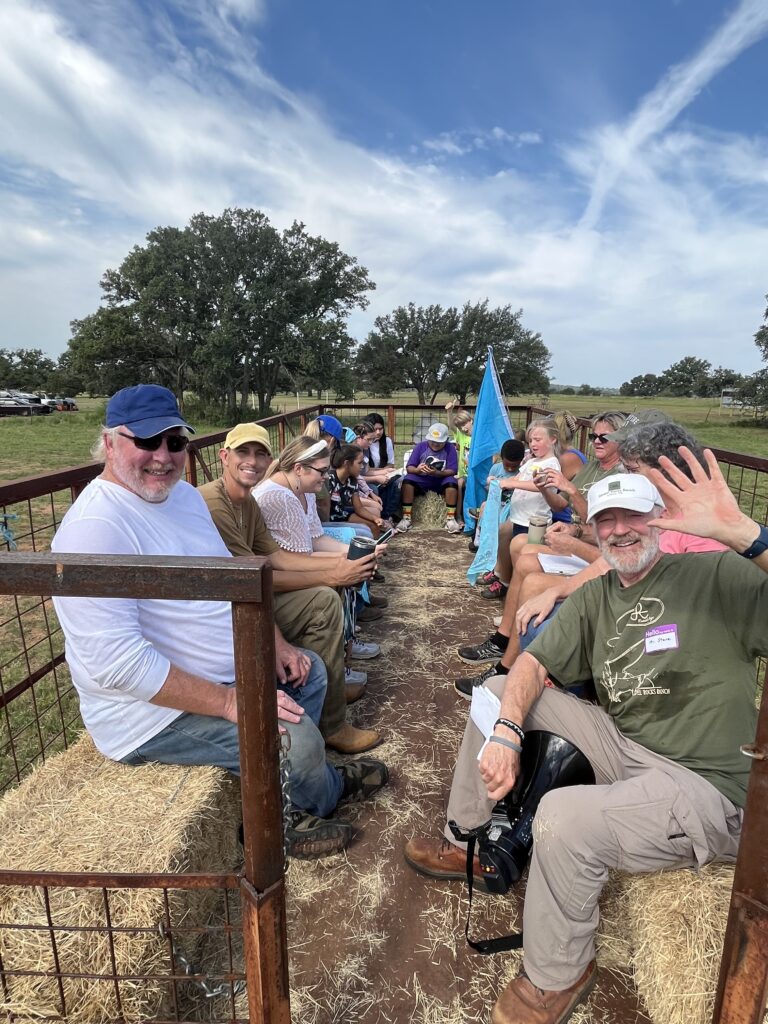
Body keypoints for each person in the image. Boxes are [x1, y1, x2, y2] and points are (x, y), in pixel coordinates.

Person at [405, 471, 768, 1024]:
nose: (620, 531)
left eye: (633, 517)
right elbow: (532, 662)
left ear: (660, 520)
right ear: (592, 528)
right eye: (606, 520)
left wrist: (747, 535)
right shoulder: (598, 592)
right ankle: (468, 842)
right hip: (625, 744)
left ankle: (558, 973)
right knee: (500, 692)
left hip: (707, 785)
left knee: (564, 816)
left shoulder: (715, 575)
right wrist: (506, 732)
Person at [50, 385, 388, 860]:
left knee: (308, 671)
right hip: (153, 714)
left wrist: (277, 644)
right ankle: (296, 809)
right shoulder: (95, 527)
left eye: (174, 442)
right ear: (109, 443)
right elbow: (117, 666)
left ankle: (300, 785)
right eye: (146, 442)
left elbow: (236, 583)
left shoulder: (183, 499)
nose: (163, 456)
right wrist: (231, 702)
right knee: (295, 736)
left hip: (222, 674)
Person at [198, 422, 383, 755]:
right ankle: (330, 724)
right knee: (324, 599)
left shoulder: (248, 501)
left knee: (328, 594)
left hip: (240, 598)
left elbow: (278, 558)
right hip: (220, 611)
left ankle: (327, 699)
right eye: (243, 452)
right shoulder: (217, 502)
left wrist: (340, 568)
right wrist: (332, 574)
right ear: (224, 457)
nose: (252, 462)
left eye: (260, 453)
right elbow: (252, 578)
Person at [460, 412, 626, 678]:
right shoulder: (593, 469)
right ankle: (503, 639)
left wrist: (571, 502)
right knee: (522, 552)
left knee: (530, 569)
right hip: (581, 538)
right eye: (593, 436)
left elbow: (606, 528)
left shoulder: (622, 477)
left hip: (601, 555)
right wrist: (567, 518)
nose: (595, 441)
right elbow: (571, 511)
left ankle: (508, 667)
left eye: (602, 437)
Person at [253, 436, 383, 663]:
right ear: (299, 469)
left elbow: (317, 539)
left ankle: (344, 645)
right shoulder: (279, 497)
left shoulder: (302, 489)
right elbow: (298, 559)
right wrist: (344, 561)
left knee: (348, 569)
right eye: (322, 471)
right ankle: (337, 657)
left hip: (290, 567)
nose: (326, 477)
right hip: (277, 581)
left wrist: (353, 554)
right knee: (337, 582)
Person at [397, 422, 460, 533]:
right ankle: (406, 517)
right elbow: (409, 467)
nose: (435, 444)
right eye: (433, 441)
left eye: (439, 442)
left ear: (446, 440)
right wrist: (418, 470)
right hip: (422, 479)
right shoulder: (420, 446)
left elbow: (453, 470)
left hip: (441, 479)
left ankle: (450, 518)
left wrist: (437, 473)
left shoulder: (450, 449)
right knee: (407, 480)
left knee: (452, 483)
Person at [327, 443, 385, 538]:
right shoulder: (330, 479)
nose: (362, 466)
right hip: (330, 520)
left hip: (342, 515)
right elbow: (324, 507)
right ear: (346, 463)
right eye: (359, 463)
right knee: (364, 530)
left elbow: (359, 508)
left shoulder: (352, 480)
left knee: (374, 526)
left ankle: (375, 549)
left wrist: (375, 518)